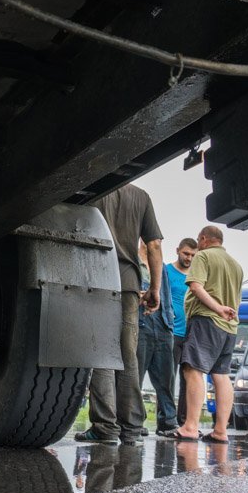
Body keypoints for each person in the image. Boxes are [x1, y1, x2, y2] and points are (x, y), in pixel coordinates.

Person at [75, 184, 163, 445]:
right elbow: (154, 245)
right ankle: (132, 428)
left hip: (96, 276)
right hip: (129, 283)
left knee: (101, 352)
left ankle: (105, 427)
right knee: (128, 355)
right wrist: (155, 288)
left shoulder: (95, 189)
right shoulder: (141, 196)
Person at [175, 225, 243, 444]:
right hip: (229, 328)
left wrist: (217, 308)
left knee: (193, 370)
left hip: (206, 320)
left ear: (204, 239)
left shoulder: (203, 257)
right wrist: (225, 312)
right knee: (221, 376)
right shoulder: (236, 265)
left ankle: (190, 427)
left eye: (198, 241)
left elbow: (195, 286)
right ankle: (221, 430)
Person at [136, 241, 175, 435]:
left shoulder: (163, 268)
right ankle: (135, 421)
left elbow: (168, 296)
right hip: (140, 322)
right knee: (135, 377)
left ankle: (168, 421)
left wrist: (170, 319)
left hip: (163, 325)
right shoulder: (133, 262)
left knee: (166, 378)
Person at [162, 238, 198, 438]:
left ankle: (185, 421)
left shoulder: (196, 276)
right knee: (168, 377)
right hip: (171, 332)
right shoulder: (167, 271)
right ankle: (167, 420)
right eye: (186, 253)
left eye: (193, 255)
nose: (189, 258)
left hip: (191, 334)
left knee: (189, 379)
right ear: (178, 251)